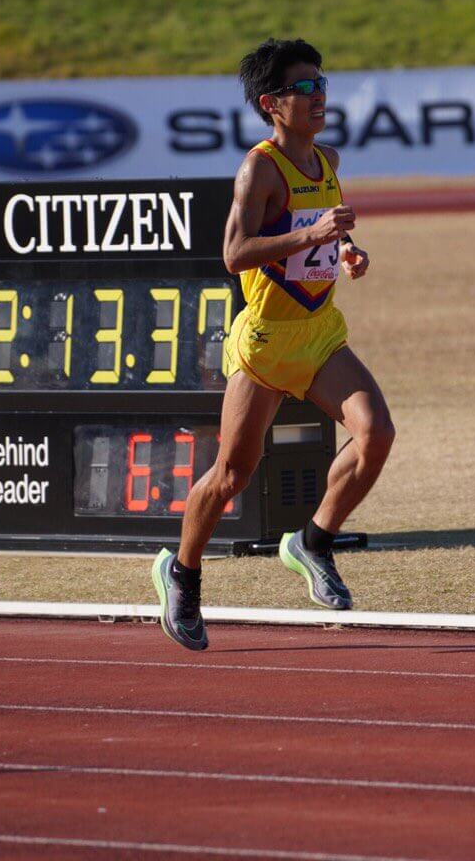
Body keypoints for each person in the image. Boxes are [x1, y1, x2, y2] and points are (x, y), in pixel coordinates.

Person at [151, 38, 395, 651]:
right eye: (305, 88)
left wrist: (346, 254)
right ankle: (181, 574)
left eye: (322, 83)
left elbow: (323, 239)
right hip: (264, 342)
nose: (320, 96)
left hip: (318, 333)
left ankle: (312, 542)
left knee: (377, 433)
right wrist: (313, 231)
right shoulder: (258, 168)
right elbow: (234, 255)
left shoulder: (328, 159)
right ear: (272, 103)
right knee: (232, 473)